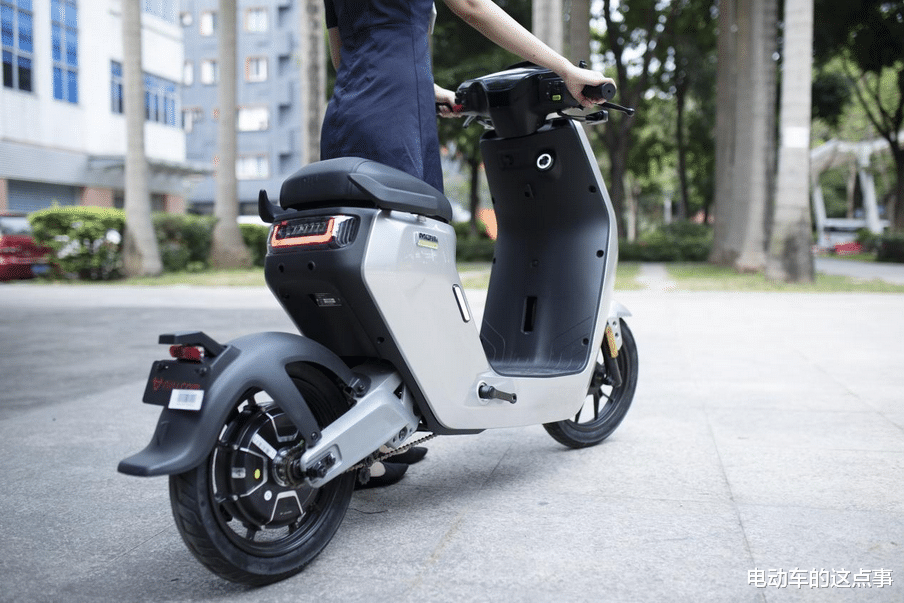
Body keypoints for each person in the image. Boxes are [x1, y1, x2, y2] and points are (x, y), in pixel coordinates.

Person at [322, 0, 613, 488]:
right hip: (395, 117)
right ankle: (380, 434)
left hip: (347, 115)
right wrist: (566, 70)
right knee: (418, 260)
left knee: (370, 270)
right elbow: (475, 7)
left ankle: (381, 429)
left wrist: (427, 87)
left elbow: (344, 54)